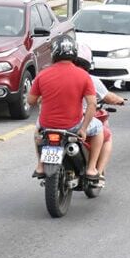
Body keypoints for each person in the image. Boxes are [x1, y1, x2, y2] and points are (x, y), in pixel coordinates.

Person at [27, 34, 103, 181]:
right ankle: (92, 168)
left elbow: (30, 101)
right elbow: (92, 105)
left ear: (54, 53)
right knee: (99, 128)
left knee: (37, 132)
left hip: (46, 125)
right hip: (73, 126)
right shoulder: (83, 75)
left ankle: (40, 166)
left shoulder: (43, 74)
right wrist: (83, 129)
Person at [73, 45, 126, 180]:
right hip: (78, 120)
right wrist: (120, 100)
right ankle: (94, 170)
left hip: (54, 121)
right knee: (104, 134)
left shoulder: (55, 76)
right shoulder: (89, 79)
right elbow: (103, 99)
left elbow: (35, 99)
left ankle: (41, 165)